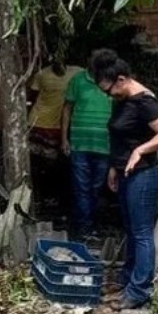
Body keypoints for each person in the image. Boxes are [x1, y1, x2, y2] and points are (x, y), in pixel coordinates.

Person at [91, 54, 158, 310]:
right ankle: (127, 281)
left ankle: (140, 291)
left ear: (121, 79)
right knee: (130, 230)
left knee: (142, 233)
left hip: (145, 175)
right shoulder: (123, 99)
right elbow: (121, 138)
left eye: (111, 91)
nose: (110, 97)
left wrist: (141, 150)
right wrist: (114, 168)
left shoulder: (144, 101)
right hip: (126, 173)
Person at [62, 51, 115, 243]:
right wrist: (64, 138)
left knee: (96, 188)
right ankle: (84, 228)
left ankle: (87, 225)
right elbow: (67, 108)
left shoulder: (113, 83)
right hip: (80, 143)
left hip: (104, 146)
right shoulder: (78, 80)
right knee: (81, 188)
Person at [27, 53, 82, 215]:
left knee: (56, 163)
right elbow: (32, 97)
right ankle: (39, 196)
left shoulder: (78, 73)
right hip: (40, 123)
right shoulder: (42, 75)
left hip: (61, 125)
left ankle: (52, 197)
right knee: (40, 162)